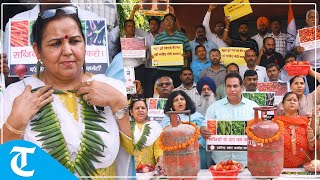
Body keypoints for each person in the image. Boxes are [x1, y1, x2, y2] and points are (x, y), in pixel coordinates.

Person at [1, 7, 132, 177]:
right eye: (55, 43)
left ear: (85, 45)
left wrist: (118, 103)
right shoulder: (17, 95)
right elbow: (5, 164)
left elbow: (142, 149)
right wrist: (15, 123)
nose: (68, 51)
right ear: (37, 51)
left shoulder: (113, 89)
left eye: (75, 41)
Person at [205, 73, 259, 166]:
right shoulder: (214, 107)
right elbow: (204, 126)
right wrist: (204, 131)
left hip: (247, 161)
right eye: (229, 86)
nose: (232, 89)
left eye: (235, 86)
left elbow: (262, 129)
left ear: (241, 87)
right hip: (220, 162)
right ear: (225, 88)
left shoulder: (253, 107)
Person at [161, 90, 211, 169]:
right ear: (171, 104)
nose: (179, 102)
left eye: (182, 99)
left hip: (196, 153)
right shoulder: (167, 119)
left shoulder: (197, 116)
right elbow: (165, 138)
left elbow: (204, 137)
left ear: (186, 101)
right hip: (175, 154)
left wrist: (192, 147)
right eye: (176, 100)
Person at [276, 92, 315, 168]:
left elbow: (312, 147)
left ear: (298, 105)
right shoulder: (276, 123)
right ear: (283, 105)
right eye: (289, 100)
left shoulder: (306, 122)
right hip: (281, 167)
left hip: (304, 167)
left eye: (295, 100)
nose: (292, 102)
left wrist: (311, 142)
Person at [130, 4, 160, 98]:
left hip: (161, 68)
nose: (153, 26)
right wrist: (133, 11)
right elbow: (131, 26)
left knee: (160, 92)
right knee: (148, 91)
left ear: (158, 26)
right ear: (149, 25)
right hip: (147, 68)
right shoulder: (144, 34)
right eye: (152, 24)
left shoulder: (163, 36)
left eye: (155, 24)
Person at [154, 13, 191, 87]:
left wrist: (186, 55)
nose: (169, 22)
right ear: (163, 23)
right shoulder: (158, 37)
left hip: (177, 71)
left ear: (174, 22)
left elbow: (189, 51)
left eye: (171, 20)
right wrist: (154, 56)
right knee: (163, 93)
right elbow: (155, 52)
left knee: (177, 94)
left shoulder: (182, 36)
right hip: (162, 71)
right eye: (166, 20)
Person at [129, 97, 164, 172]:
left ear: (147, 111)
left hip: (150, 169)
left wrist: (160, 161)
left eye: (143, 108)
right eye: (137, 108)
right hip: (131, 170)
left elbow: (158, 148)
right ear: (131, 112)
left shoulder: (155, 127)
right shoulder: (126, 127)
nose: (140, 110)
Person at [294, 9, 320, 92]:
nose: (314, 19)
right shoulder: (301, 33)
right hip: (308, 68)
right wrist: (298, 49)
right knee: (311, 91)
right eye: (311, 17)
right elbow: (295, 49)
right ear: (306, 20)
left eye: (316, 17)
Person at [122, 19, 146, 88]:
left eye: (133, 26)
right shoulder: (121, 41)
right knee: (127, 91)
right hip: (125, 70)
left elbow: (144, 59)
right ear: (125, 28)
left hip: (138, 69)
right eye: (129, 26)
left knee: (138, 90)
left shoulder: (140, 40)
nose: (131, 28)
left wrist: (145, 50)